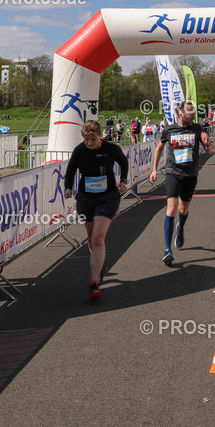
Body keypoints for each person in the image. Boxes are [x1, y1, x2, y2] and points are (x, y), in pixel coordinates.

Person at [64, 120, 129, 301]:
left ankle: (94, 279)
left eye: (92, 139)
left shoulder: (110, 149)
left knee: (98, 237)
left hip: (108, 196)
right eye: (86, 139)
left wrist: (123, 180)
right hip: (86, 198)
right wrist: (68, 188)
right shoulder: (79, 150)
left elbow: (123, 162)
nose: (89, 143)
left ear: (100, 135)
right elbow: (70, 172)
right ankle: (99, 266)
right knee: (91, 238)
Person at [150, 102, 213, 266]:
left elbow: (210, 151)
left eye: (193, 113)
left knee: (183, 209)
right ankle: (167, 250)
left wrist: (207, 142)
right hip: (173, 173)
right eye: (189, 113)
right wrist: (154, 170)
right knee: (171, 209)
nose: (192, 116)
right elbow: (159, 148)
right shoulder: (168, 130)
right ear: (180, 113)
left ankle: (181, 228)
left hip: (190, 174)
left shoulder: (198, 128)